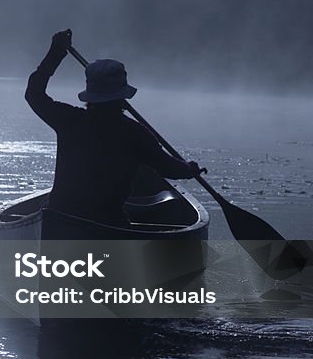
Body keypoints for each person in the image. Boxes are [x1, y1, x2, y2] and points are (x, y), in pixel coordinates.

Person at [25, 29, 202, 226]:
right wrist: (189, 169)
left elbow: (34, 94)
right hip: (108, 222)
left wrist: (55, 53)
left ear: (91, 95)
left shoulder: (69, 120)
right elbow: (169, 167)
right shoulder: (135, 134)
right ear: (122, 96)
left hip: (61, 215)